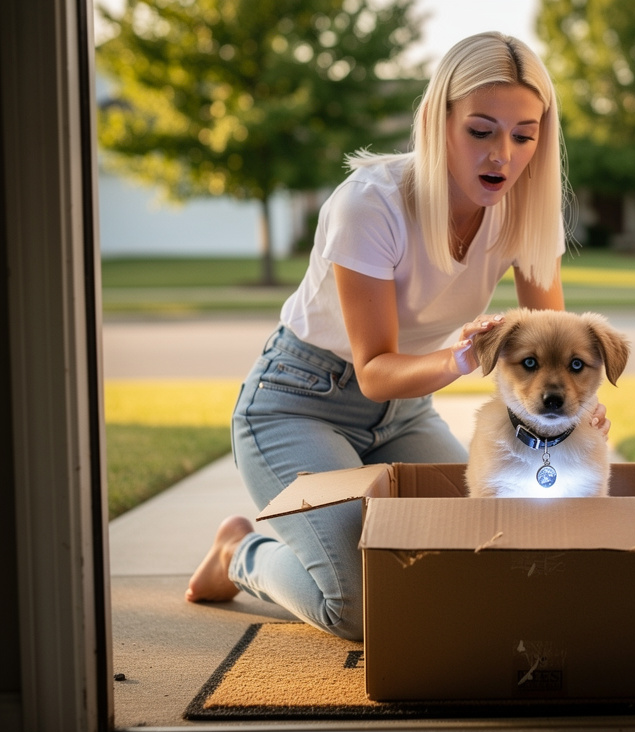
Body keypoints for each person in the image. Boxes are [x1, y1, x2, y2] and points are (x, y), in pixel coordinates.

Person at [185, 31, 610, 640]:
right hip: (300, 405)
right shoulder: (370, 203)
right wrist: (461, 356)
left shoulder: (525, 211)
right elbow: (375, 370)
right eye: (481, 131)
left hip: (405, 415)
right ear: (439, 120)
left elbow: (555, 340)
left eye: (524, 135)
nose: (502, 156)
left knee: (477, 559)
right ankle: (239, 553)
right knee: (362, 605)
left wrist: (579, 411)